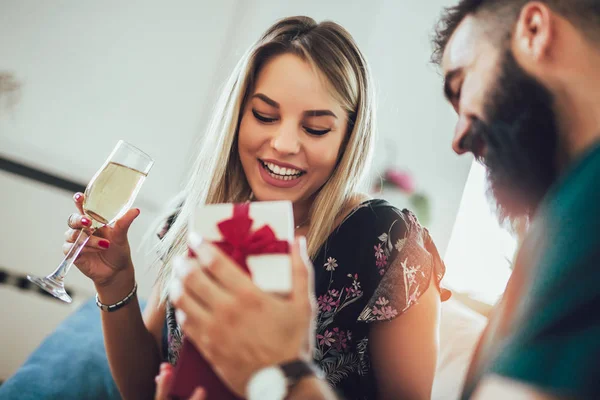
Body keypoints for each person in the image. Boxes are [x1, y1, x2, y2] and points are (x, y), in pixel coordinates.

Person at [164, 1, 600, 399]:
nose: (458, 139)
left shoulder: (583, 219)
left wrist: (284, 371)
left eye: (461, 85)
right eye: (264, 115)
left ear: (535, 30)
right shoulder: (563, 220)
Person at [63, 16, 448, 400]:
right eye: (264, 115)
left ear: (349, 137)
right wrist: (114, 281)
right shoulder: (196, 214)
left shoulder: (389, 244)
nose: (282, 143)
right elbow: (144, 390)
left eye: (315, 128)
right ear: (238, 116)